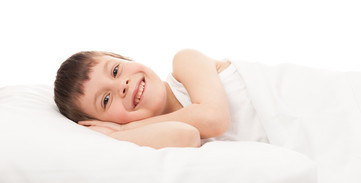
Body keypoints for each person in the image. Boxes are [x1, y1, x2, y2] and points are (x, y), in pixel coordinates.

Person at [54, 49, 268, 149]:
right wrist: (114, 136)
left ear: (128, 58)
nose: (123, 86)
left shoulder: (185, 63)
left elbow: (214, 119)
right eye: (106, 100)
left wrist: (122, 130)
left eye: (116, 70)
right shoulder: (154, 135)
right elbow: (186, 136)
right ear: (105, 122)